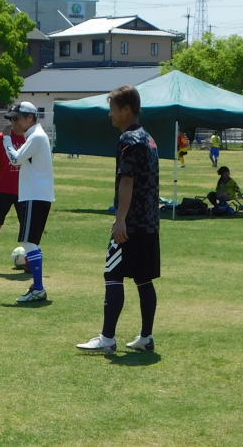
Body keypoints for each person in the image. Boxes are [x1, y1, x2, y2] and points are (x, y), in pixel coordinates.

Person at [77, 85, 160, 353]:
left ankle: (107, 338)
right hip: (149, 222)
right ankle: (146, 337)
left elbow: (127, 180)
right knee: (144, 279)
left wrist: (120, 219)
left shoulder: (128, 139)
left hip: (131, 223)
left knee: (113, 274)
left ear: (126, 109)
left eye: (112, 109)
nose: (110, 115)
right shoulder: (148, 138)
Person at [2, 101, 54, 303]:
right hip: (36, 194)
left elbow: (15, 159)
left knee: (28, 242)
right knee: (31, 242)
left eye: (16, 119)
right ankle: (37, 286)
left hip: (35, 195)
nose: (13, 123)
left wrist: (6, 139)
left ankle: (39, 288)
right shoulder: (34, 136)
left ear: (30, 118)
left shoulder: (36, 136)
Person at [0, 123, 25, 272]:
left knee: (26, 227)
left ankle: (29, 260)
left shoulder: (30, 138)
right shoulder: (1, 138)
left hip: (24, 191)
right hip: (3, 189)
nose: (15, 122)